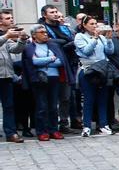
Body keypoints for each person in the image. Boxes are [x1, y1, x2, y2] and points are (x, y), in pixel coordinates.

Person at [21, 25, 69, 141]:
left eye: (46, 32)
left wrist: (44, 62)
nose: (45, 34)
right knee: (41, 106)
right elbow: (33, 62)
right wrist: (50, 59)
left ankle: (54, 129)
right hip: (39, 80)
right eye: (42, 32)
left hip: (54, 78)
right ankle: (42, 131)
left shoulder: (53, 46)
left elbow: (60, 61)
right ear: (34, 35)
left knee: (53, 106)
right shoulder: (29, 47)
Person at [73, 16, 116, 137]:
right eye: (92, 24)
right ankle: (86, 126)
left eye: (96, 23)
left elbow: (109, 52)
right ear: (84, 25)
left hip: (102, 70)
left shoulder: (102, 37)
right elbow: (86, 51)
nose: (95, 26)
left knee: (103, 99)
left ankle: (103, 124)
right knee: (89, 99)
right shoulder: (79, 37)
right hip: (88, 70)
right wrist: (95, 38)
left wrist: (108, 39)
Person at [41, 5, 79, 132]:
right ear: (44, 15)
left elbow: (73, 41)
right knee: (50, 99)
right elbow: (50, 43)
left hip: (67, 65)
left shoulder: (64, 28)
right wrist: (65, 43)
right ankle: (49, 125)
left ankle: (64, 123)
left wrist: (64, 43)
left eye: (56, 11)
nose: (55, 14)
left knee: (66, 97)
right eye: (51, 12)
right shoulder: (43, 29)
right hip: (52, 65)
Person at [1, 11, 29, 143]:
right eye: (8, 18)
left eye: (12, 17)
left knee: (9, 106)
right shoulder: (5, 36)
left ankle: (11, 133)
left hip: (6, 75)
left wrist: (22, 40)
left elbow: (15, 49)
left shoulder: (6, 36)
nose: (11, 20)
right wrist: (7, 36)